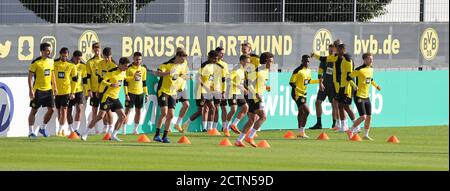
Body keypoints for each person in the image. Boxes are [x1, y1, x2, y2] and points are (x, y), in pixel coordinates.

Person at [81, 57, 131, 141]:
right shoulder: (112, 71)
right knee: (100, 116)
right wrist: (110, 84)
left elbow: (125, 79)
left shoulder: (123, 72)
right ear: (120, 64)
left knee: (122, 117)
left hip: (115, 98)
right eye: (125, 66)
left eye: (127, 66)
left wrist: (134, 78)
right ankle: (85, 133)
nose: (126, 68)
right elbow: (101, 80)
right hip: (107, 97)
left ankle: (113, 135)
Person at [235, 52, 274, 147]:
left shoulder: (266, 71)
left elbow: (261, 83)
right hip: (254, 98)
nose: (272, 63)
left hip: (254, 97)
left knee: (251, 120)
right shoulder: (258, 70)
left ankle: (239, 140)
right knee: (263, 117)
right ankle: (250, 137)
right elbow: (248, 84)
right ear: (265, 61)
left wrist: (266, 87)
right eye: (271, 61)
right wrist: (256, 93)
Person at [151, 50, 187, 143]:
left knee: (171, 115)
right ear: (177, 57)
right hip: (163, 91)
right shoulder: (166, 65)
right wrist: (168, 73)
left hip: (173, 92)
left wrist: (183, 84)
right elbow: (157, 73)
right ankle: (157, 134)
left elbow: (183, 76)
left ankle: (165, 136)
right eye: (182, 58)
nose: (184, 60)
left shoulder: (182, 66)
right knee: (164, 113)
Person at [182, 50, 218, 132]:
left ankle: (210, 129)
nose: (216, 60)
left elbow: (210, 79)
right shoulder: (203, 66)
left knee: (212, 108)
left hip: (208, 91)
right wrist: (205, 86)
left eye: (217, 59)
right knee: (201, 111)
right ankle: (186, 123)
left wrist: (212, 87)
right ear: (210, 57)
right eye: (214, 59)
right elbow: (197, 78)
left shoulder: (213, 67)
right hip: (200, 91)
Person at [348, 53, 381, 140]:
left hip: (366, 96)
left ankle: (366, 135)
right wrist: (354, 85)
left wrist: (376, 86)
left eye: (372, 59)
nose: (371, 60)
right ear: (365, 60)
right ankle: (350, 130)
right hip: (359, 96)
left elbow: (371, 79)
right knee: (363, 116)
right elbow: (348, 77)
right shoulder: (359, 69)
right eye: (370, 59)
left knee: (369, 116)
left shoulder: (371, 69)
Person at [27, 42, 57, 138]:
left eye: (50, 50)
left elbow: (52, 74)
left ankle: (43, 128)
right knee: (34, 111)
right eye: (48, 50)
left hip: (48, 90)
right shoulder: (36, 62)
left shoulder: (51, 61)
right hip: (38, 90)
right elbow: (30, 77)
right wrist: (31, 90)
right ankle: (31, 132)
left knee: (52, 110)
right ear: (42, 51)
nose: (49, 52)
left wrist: (55, 87)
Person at [289, 55, 320, 138]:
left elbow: (308, 81)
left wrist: (318, 81)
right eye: (305, 61)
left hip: (303, 93)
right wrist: (300, 91)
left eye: (308, 61)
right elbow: (291, 83)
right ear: (302, 61)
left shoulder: (309, 71)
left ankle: (300, 131)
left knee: (301, 112)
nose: (307, 62)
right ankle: (302, 131)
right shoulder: (297, 71)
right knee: (307, 111)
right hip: (297, 94)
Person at [309, 44, 339, 130]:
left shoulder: (336, 59)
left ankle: (334, 124)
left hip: (333, 85)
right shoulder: (325, 60)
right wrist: (320, 83)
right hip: (324, 84)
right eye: (329, 50)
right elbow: (320, 71)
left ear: (335, 51)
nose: (330, 52)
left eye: (332, 50)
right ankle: (319, 123)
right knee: (318, 102)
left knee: (334, 104)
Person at [53, 47, 77, 136]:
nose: (64, 58)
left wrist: (73, 92)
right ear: (60, 54)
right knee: (59, 111)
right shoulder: (54, 63)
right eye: (63, 56)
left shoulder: (71, 65)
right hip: (56, 91)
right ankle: (61, 127)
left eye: (66, 56)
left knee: (64, 110)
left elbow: (75, 80)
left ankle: (60, 129)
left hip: (66, 91)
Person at [123, 52, 148, 135]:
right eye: (137, 59)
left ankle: (135, 129)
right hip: (130, 93)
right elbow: (125, 82)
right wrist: (126, 94)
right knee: (127, 111)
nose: (138, 61)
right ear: (133, 58)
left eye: (140, 59)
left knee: (139, 111)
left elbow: (144, 82)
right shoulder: (129, 68)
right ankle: (124, 130)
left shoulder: (143, 69)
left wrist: (146, 94)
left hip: (140, 93)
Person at [225, 55, 250, 137]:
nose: (248, 64)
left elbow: (241, 82)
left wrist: (245, 89)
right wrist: (240, 87)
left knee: (246, 107)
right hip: (231, 91)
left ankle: (234, 124)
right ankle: (226, 128)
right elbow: (228, 80)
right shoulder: (236, 69)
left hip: (239, 92)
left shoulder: (243, 70)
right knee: (233, 109)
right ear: (241, 61)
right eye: (246, 62)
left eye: (248, 62)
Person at [336, 44, 357, 132]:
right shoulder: (343, 59)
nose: (337, 52)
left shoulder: (348, 59)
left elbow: (350, 75)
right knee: (340, 105)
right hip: (342, 85)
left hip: (347, 87)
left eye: (338, 50)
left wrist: (354, 85)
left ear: (342, 50)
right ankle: (344, 126)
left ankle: (356, 126)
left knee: (347, 107)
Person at [68, 50, 89, 135]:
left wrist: (87, 92)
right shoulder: (68, 65)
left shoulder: (83, 66)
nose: (78, 61)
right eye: (77, 59)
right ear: (73, 57)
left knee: (79, 109)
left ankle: (76, 129)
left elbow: (85, 80)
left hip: (79, 90)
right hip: (69, 90)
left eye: (80, 59)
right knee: (69, 110)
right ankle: (71, 129)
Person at [85, 42, 104, 134]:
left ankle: (106, 129)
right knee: (94, 110)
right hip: (94, 90)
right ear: (93, 49)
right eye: (95, 48)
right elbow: (88, 77)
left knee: (106, 110)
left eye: (98, 48)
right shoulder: (89, 62)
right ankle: (96, 129)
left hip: (104, 90)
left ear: (101, 49)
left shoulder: (105, 61)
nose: (97, 49)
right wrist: (89, 90)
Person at [171, 48, 191, 133]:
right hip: (173, 88)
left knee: (186, 104)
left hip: (182, 87)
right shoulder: (172, 63)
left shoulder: (185, 62)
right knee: (170, 109)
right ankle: (167, 127)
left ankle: (177, 124)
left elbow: (185, 73)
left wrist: (186, 76)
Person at [212, 47, 229, 132]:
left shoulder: (224, 65)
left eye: (223, 53)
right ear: (217, 54)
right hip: (213, 89)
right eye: (221, 53)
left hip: (222, 89)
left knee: (224, 108)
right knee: (216, 108)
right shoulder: (212, 64)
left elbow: (225, 79)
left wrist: (224, 91)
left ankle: (224, 126)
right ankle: (214, 128)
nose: (223, 55)